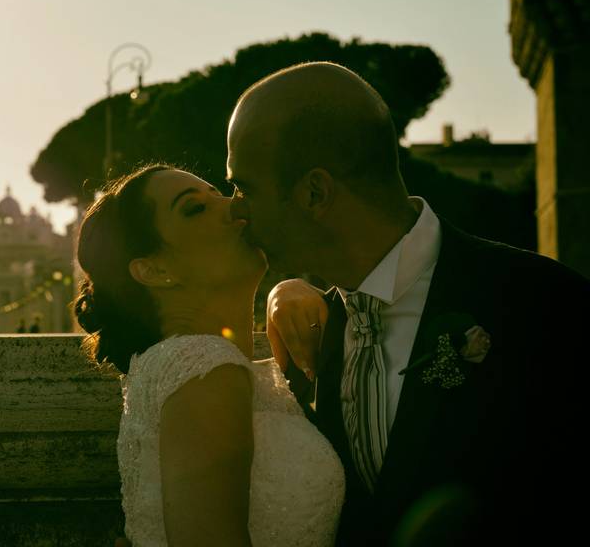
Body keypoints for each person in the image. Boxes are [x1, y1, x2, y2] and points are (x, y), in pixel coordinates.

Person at [226, 61, 590, 545]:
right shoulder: (313, 330)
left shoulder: (549, 305)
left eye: (243, 186)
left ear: (315, 192)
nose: (234, 208)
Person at [75, 164, 345, 547]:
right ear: (154, 269)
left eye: (221, 193)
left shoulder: (193, 366)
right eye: (195, 209)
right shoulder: (207, 370)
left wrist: (284, 292)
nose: (235, 207)